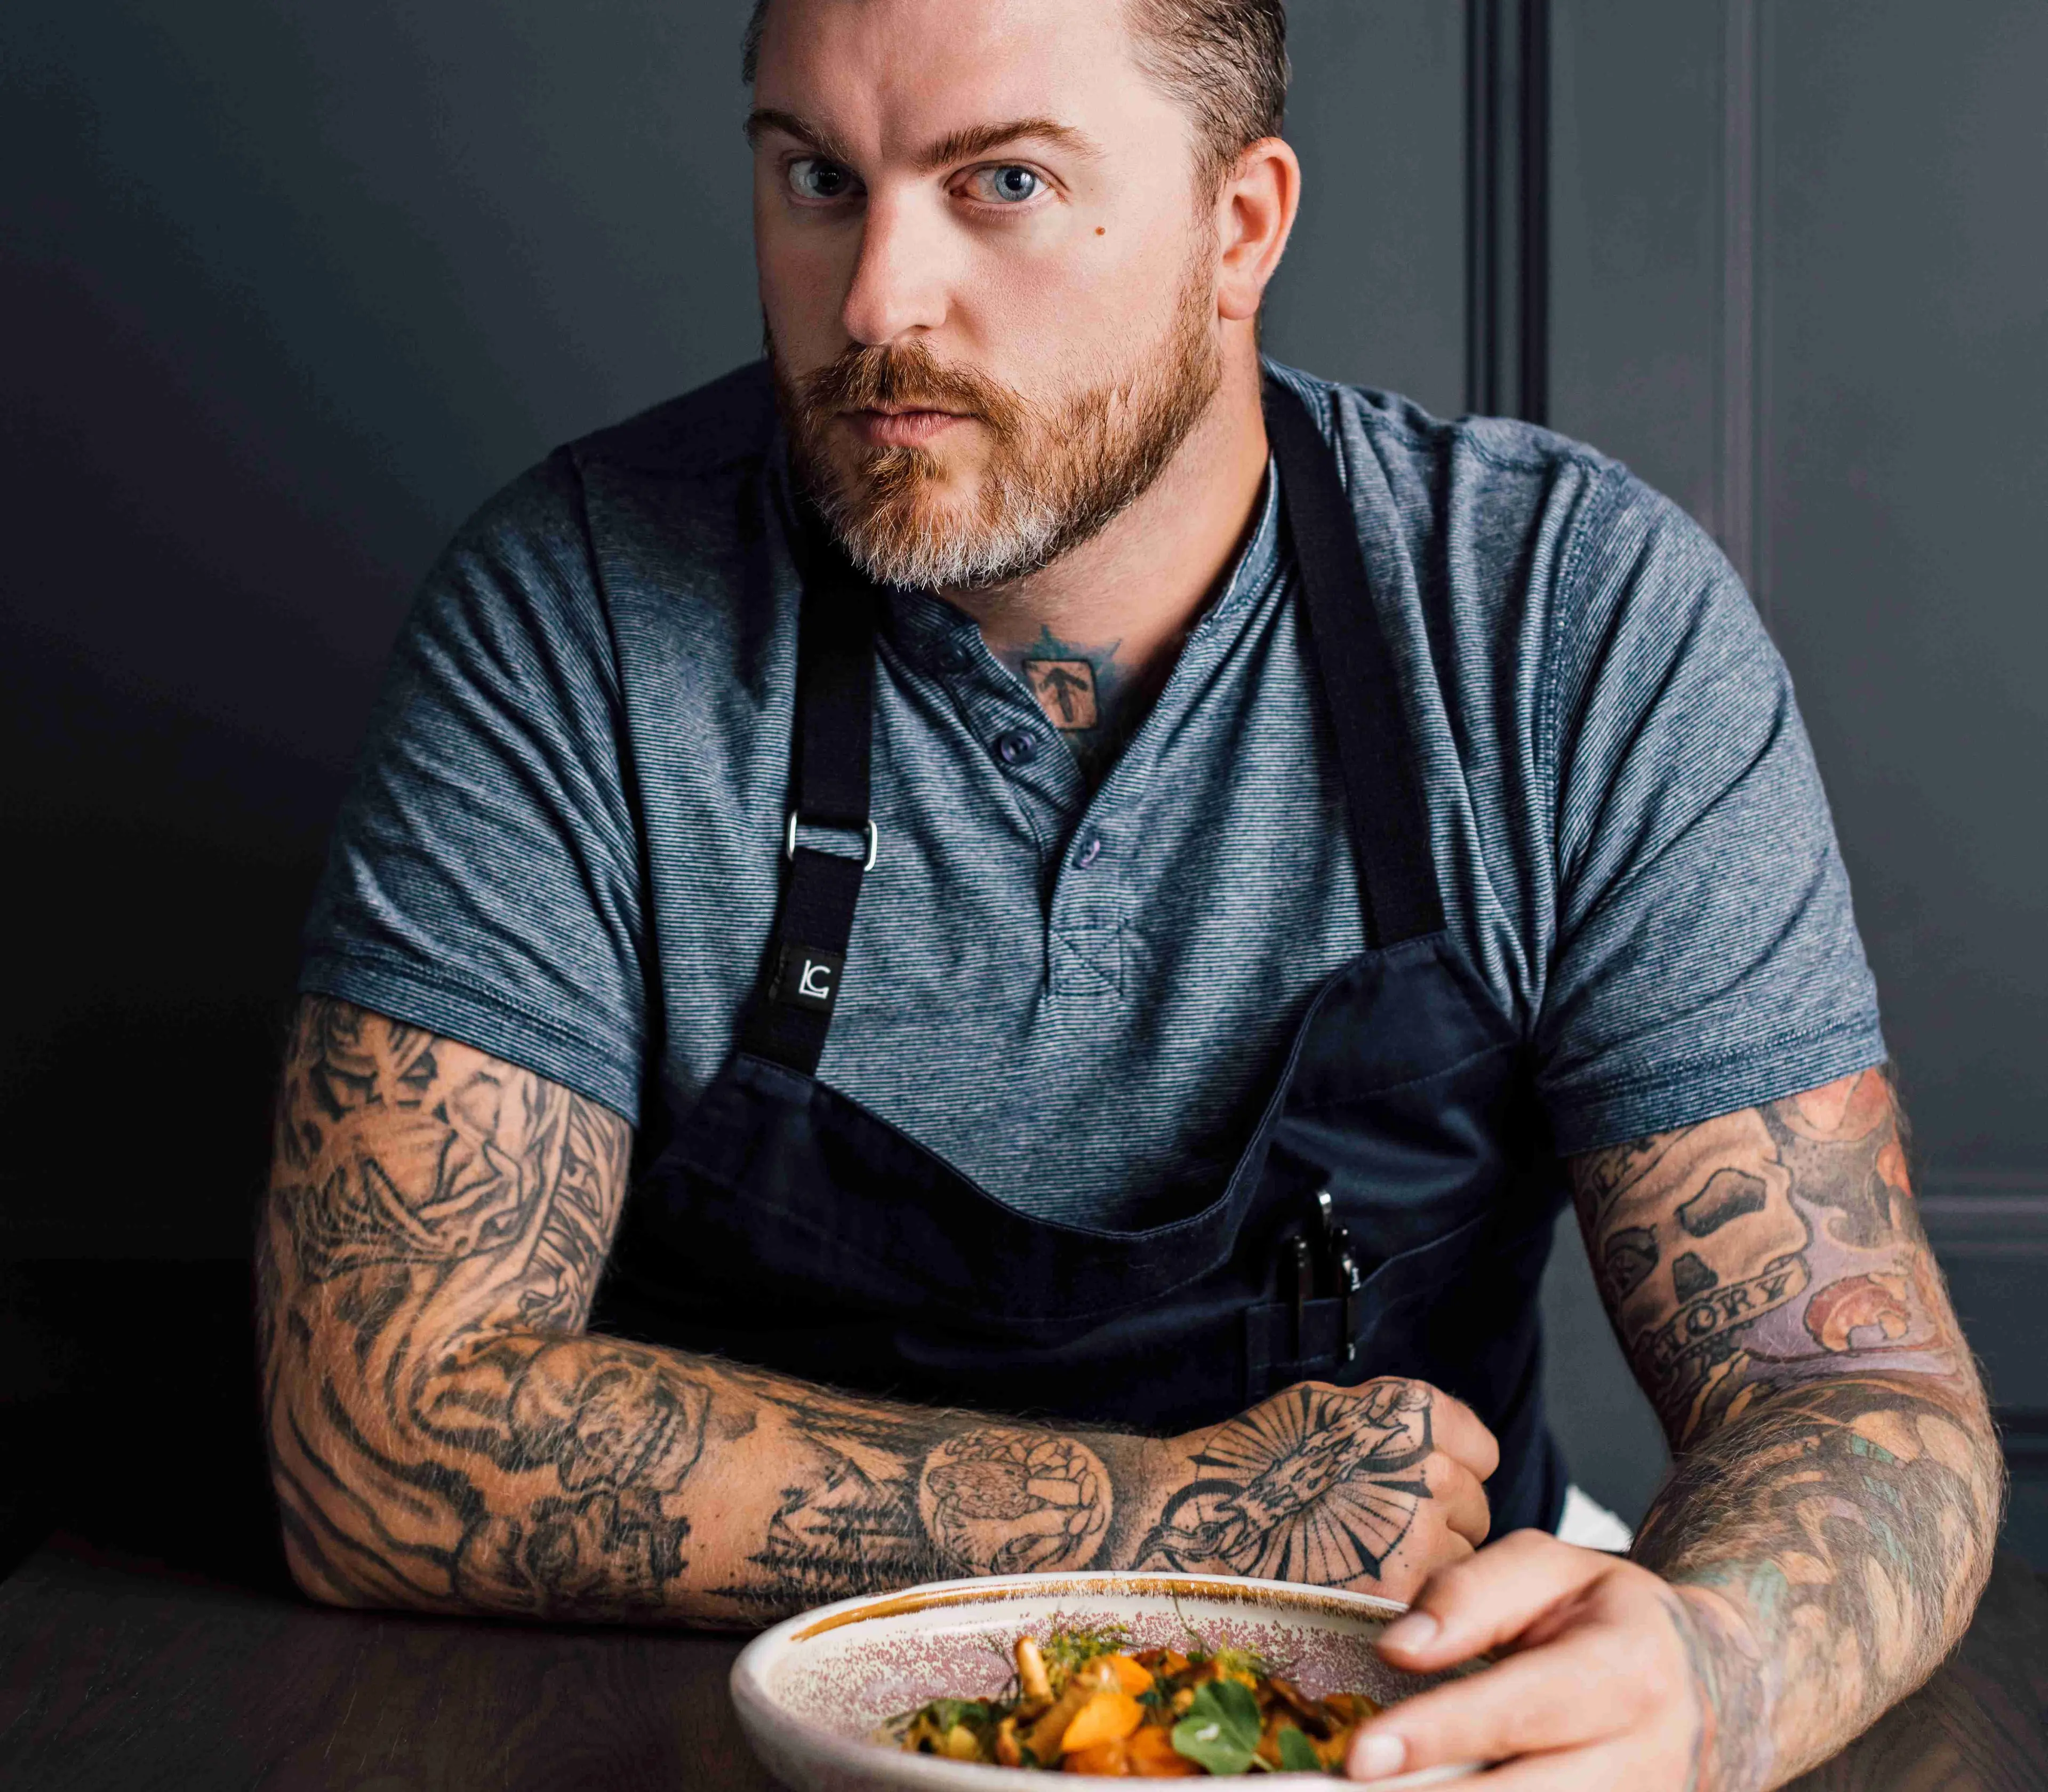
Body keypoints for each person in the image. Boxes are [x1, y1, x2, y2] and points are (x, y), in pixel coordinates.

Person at [254, 1, 2001, 1784]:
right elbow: (377, 1424)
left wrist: (1715, 1671)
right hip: (717, 1735)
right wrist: (1178, 1520)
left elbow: (1848, 1392)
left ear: (1238, 226)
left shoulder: (1565, 623)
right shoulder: (576, 618)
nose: (872, 302)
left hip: (1391, 1728)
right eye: (816, 179)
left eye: (1002, 182)